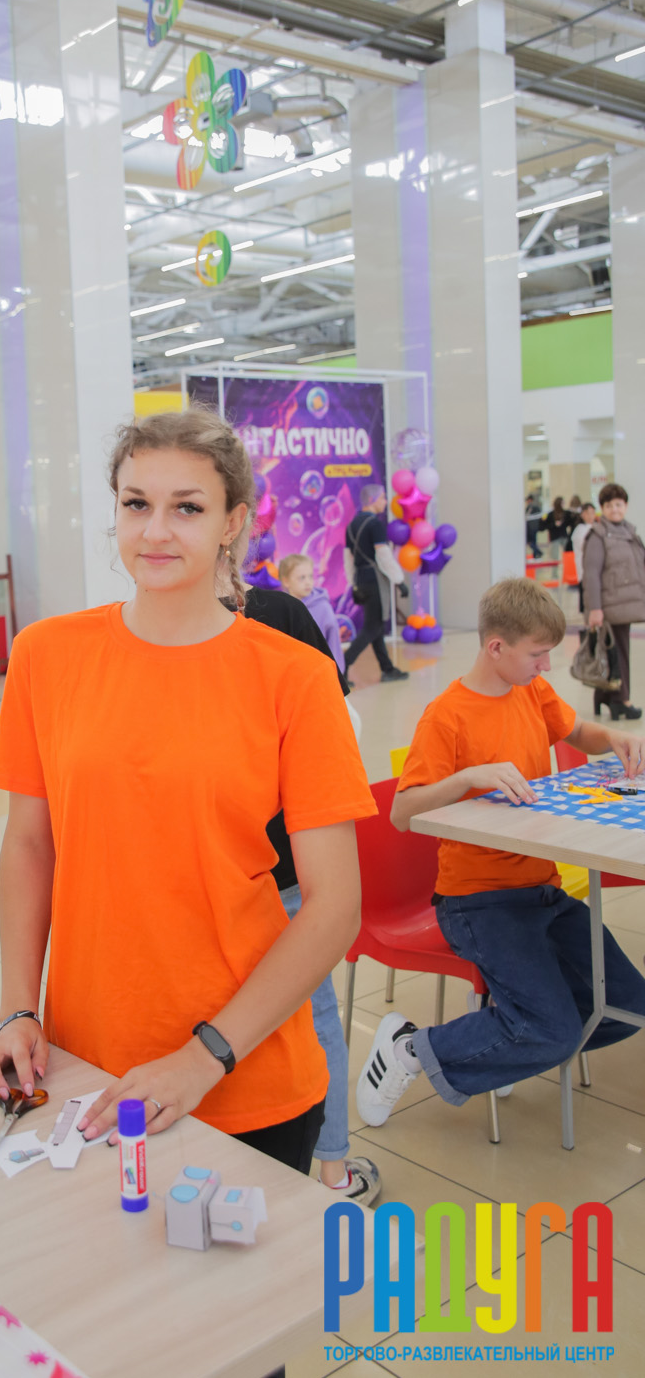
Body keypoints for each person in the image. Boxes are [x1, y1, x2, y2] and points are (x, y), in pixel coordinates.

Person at [0, 408, 375, 1190]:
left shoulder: (294, 678)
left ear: (233, 523)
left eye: (187, 507)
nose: (155, 531)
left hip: (246, 1074)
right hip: (85, 1064)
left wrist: (203, 1057)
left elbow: (334, 906)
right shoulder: (47, 657)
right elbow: (30, 844)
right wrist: (18, 1010)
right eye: (136, 504)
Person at [355, 576, 645, 1128]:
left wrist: (613, 739)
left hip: (542, 891)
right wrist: (468, 777)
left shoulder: (531, 691)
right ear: (496, 647)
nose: (546, 666)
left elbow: (577, 731)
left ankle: (507, 1036)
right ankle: (410, 1048)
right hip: (477, 901)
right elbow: (402, 812)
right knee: (552, 1031)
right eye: (537, 655)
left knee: (630, 1004)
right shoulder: (447, 715)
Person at [228, 548, 377, 1202]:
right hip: (279, 862)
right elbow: (341, 726)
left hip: (273, 867)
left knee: (302, 1014)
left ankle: (322, 1165)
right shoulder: (280, 613)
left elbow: (335, 726)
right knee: (310, 1014)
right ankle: (332, 1171)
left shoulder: (276, 614)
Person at [582, 483, 645, 721]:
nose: (615, 509)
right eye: (609, 505)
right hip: (608, 607)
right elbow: (591, 574)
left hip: (626, 604)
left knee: (614, 652)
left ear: (625, 506)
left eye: (618, 504)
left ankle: (604, 696)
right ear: (602, 508)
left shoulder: (630, 533)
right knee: (618, 653)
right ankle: (621, 700)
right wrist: (595, 609)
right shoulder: (598, 535)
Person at [343, 484, 409, 683]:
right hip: (375, 581)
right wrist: (399, 580)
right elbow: (384, 556)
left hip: (361, 580)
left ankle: (387, 669)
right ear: (372, 500)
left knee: (376, 626)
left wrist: (353, 583)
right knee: (372, 628)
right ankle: (342, 665)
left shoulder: (351, 525)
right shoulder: (374, 524)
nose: (385, 502)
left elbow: (348, 559)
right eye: (383, 498)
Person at [278, 552, 346, 671]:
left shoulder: (323, 607)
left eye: (310, 576)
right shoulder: (282, 608)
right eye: (302, 578)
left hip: (321, 671)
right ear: (286, 581)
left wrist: (337, 670)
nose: (308, 582)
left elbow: (333, 641)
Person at [570, 500, 597, 614]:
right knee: (586, 603)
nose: (591, 516)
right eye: (588, 513)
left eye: (593, 513)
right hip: (584, 570)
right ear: (582, 514)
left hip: (596, 571)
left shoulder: (597, 527)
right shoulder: (579, 530)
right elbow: (585, 547)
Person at [525, 495, 543, 559]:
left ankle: (538, 552)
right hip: (535, 527)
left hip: (531, 527)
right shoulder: (536, 506)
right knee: (533, 541)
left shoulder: (531, 507)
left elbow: (527, 516)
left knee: (530, 541)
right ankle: (535, 555)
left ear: (530, 500)